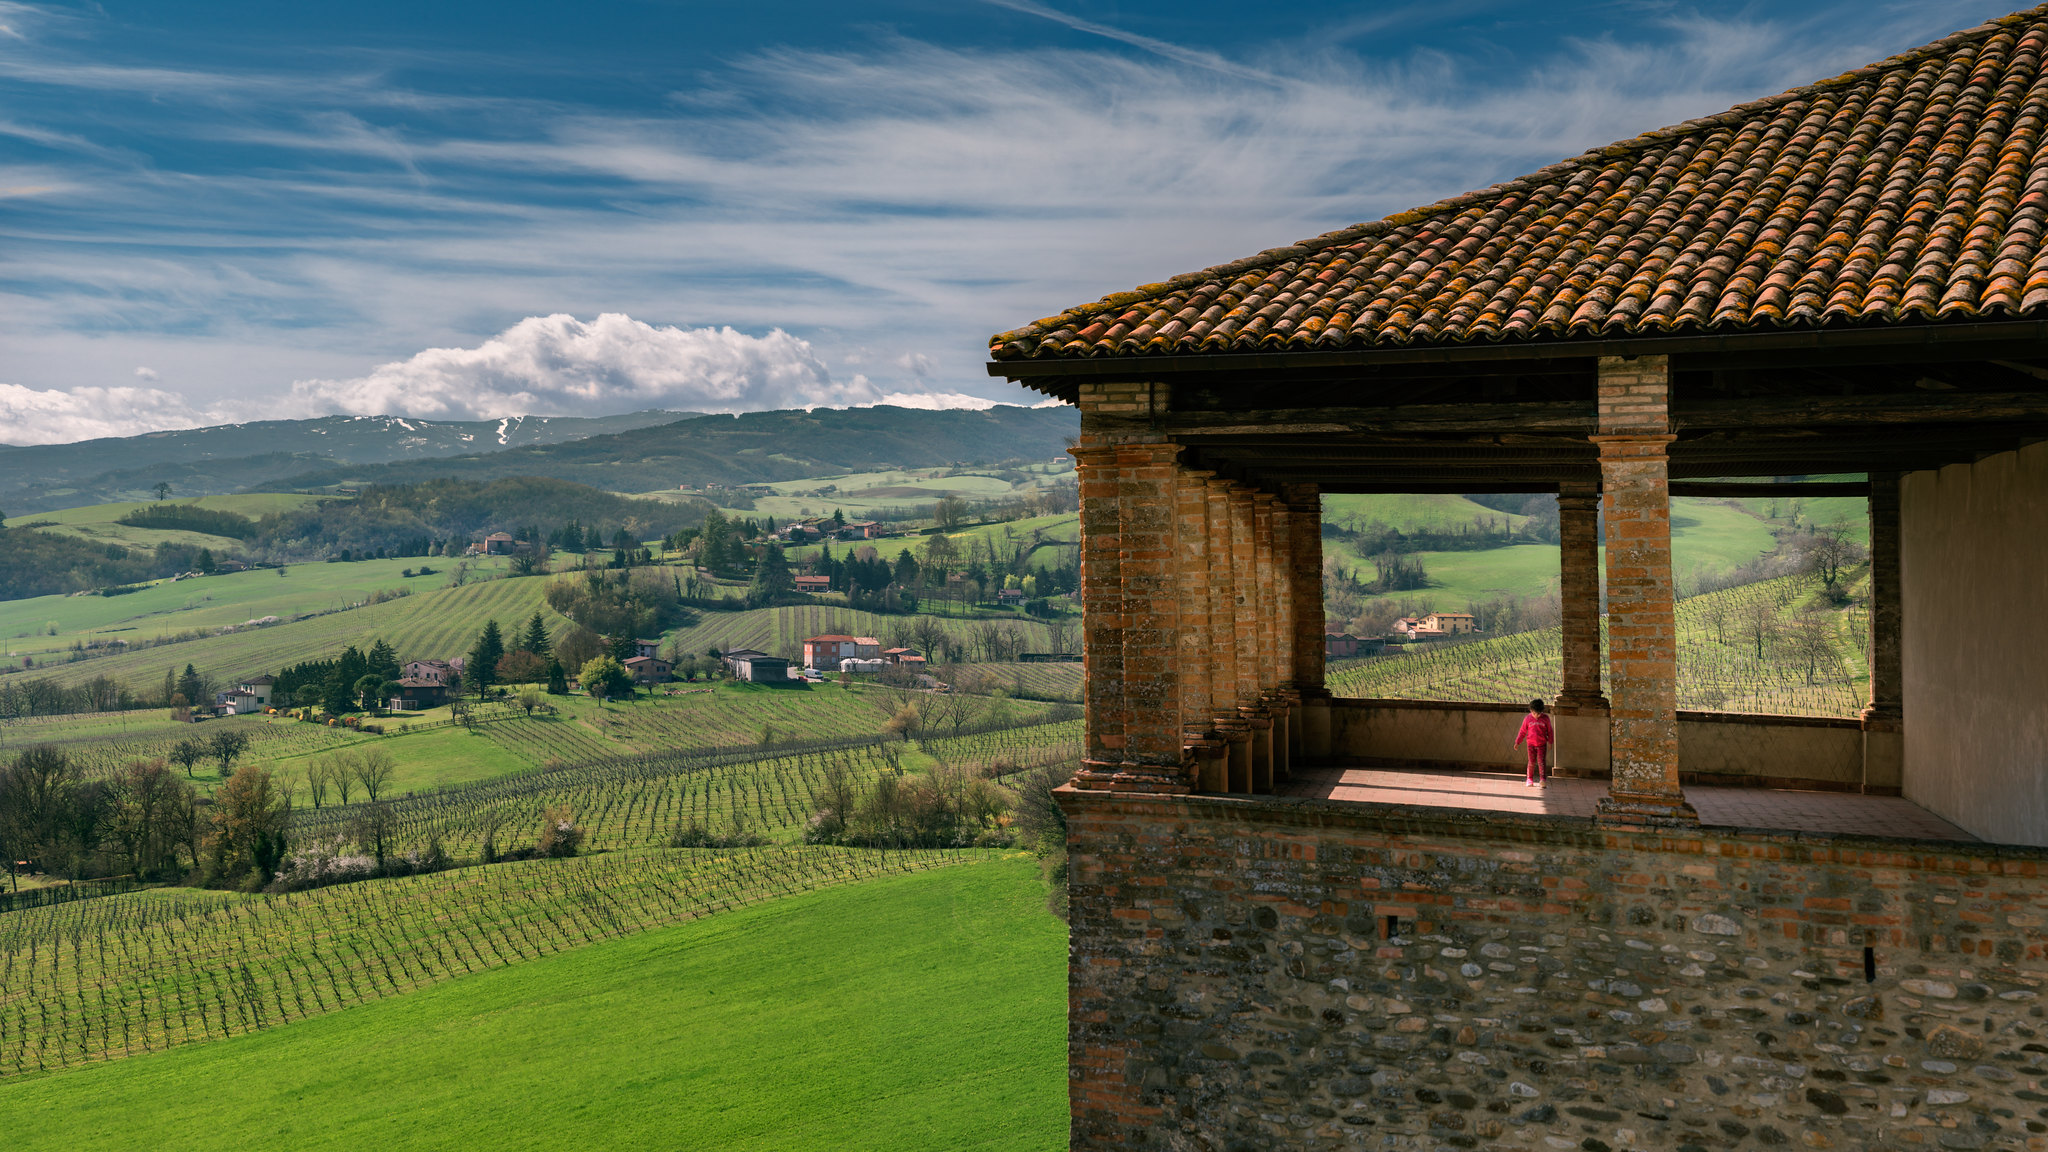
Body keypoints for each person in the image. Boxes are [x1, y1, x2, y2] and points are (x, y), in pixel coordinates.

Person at [1513, 698, 1554, 787]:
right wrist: (1517, 742)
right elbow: (1522, 731)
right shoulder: (1527, 719)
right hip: (1531, 744)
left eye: (1539, 714)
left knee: (1541, 762)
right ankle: (1529, 779)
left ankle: (1542, 779)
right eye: (1534, 713)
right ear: (1531, 710)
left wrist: (1550, 742)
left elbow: (1550, 731)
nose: (1536, 716)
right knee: (1531, 762)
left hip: (1542, 744)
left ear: (1542, 711)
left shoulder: (1545, 718)